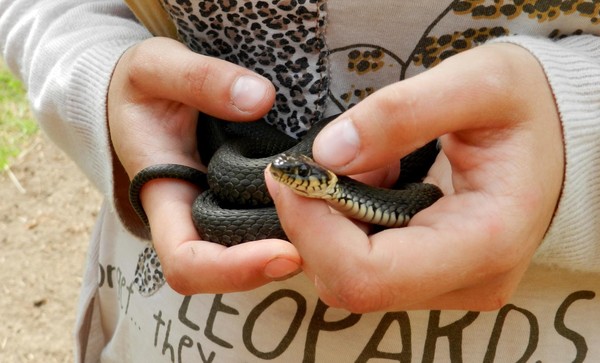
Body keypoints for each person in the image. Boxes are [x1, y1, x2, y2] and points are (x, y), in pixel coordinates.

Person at [2, 0, 599, 361]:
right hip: (170, 335)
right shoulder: (302, 178)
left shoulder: (401, 190)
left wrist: (576, 132)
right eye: (287, 174)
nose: (284, 179)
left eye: (295, 175)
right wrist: (101, 81)